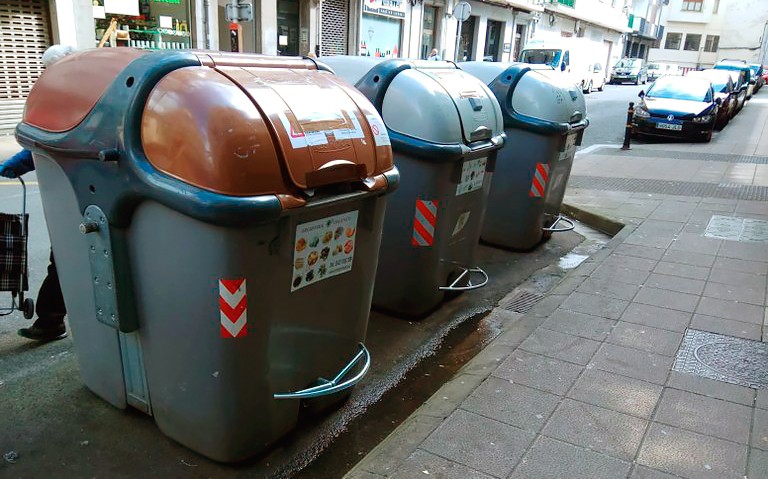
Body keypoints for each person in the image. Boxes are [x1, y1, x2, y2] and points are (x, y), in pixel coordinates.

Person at [0, 44, 75, 341]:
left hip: (74, 197)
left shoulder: (67, 99)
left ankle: (51, 320)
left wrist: (12, 165)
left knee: (66, 258)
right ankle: (52, 319)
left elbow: (44, 143)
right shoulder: (91, 93)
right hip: (89, 192)